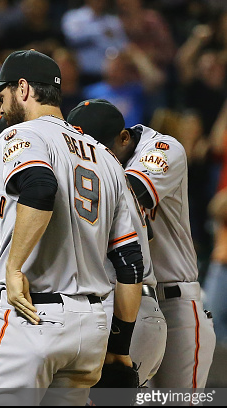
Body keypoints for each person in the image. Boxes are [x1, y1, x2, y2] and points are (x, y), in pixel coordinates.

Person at [0, 50, 144, 405]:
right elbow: (129, 258)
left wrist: (14, 267)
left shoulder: (21, 134)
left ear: (22, 89)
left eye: (1, 96)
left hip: (34, 315)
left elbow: (40, 186)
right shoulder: (105, 157)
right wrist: (119, 344)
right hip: (92, 326)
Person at [68, 98, 216, 389]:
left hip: (174, 301)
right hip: (124, 300)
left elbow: (128, 199)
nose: (95, 160)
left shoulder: (162, 148)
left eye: (102, 150)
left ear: (124, 137)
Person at [68, 100, 167, 384]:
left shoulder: (102, 175)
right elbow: (144, 235)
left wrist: (120, 344)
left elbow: (130, 262)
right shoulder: (114, 176)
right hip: (137, 310)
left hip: (124, 312)